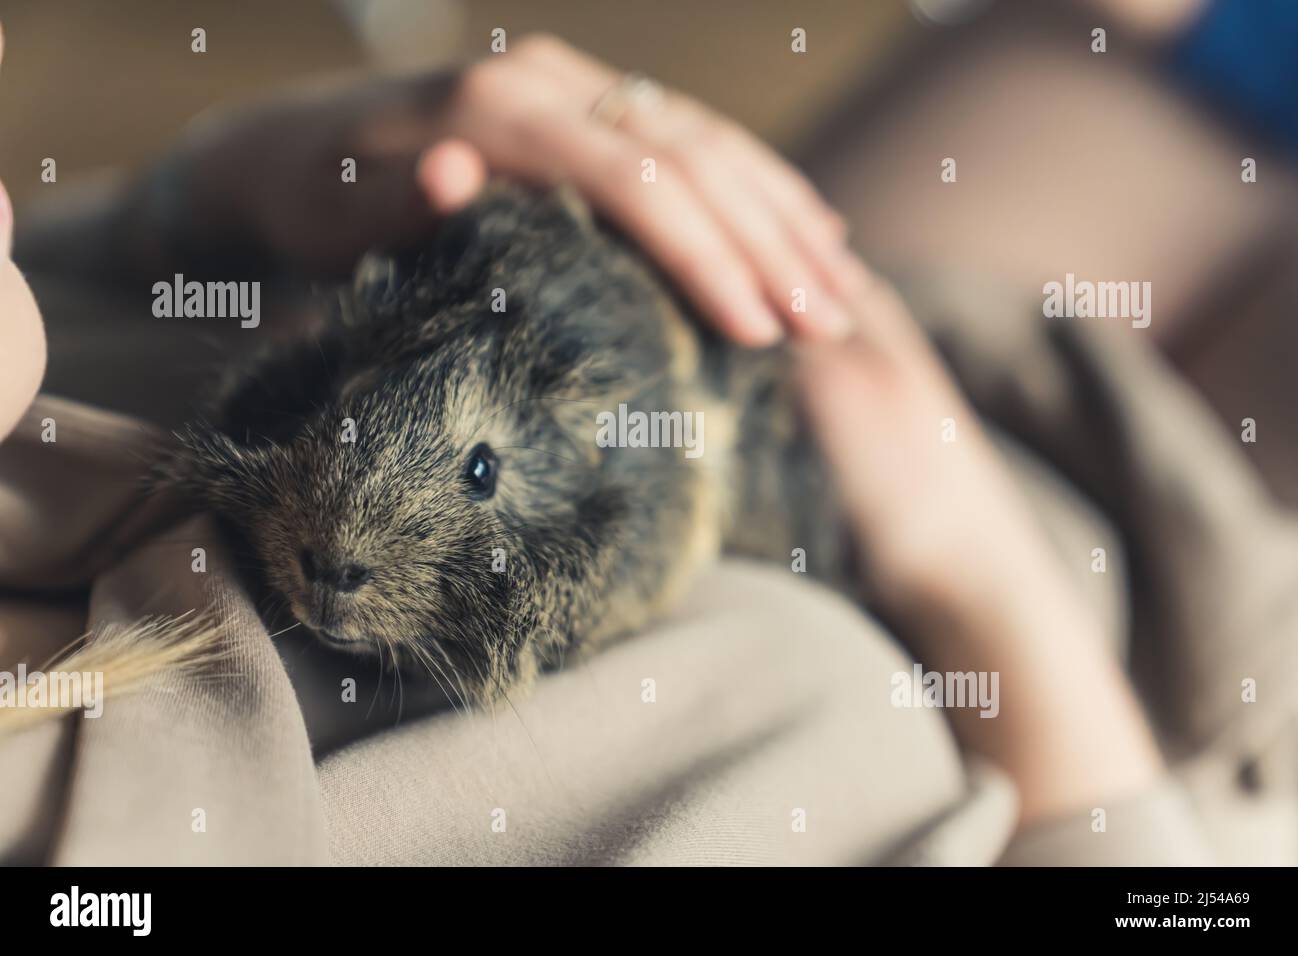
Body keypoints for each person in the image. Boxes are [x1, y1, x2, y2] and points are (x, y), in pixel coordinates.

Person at [0, 24, 1234, 864]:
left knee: (1118, 44)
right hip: (1187, 648)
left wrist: (231, 179)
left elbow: (69, 265)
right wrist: (983, 570)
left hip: (930, 343)